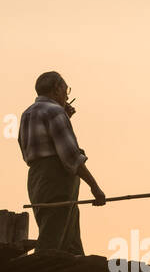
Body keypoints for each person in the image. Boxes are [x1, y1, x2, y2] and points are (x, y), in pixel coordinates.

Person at [17, 71, 107, 254]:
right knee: (53, 238)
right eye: (66, 90)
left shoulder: (27, 114)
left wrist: (65, 117)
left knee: (66, 232)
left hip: (36, 180)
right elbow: (71, 157)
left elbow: (34, 148)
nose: (67, 95)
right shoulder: (55, 112)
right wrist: (95, 187)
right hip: (56, 179)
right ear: (57, 89)